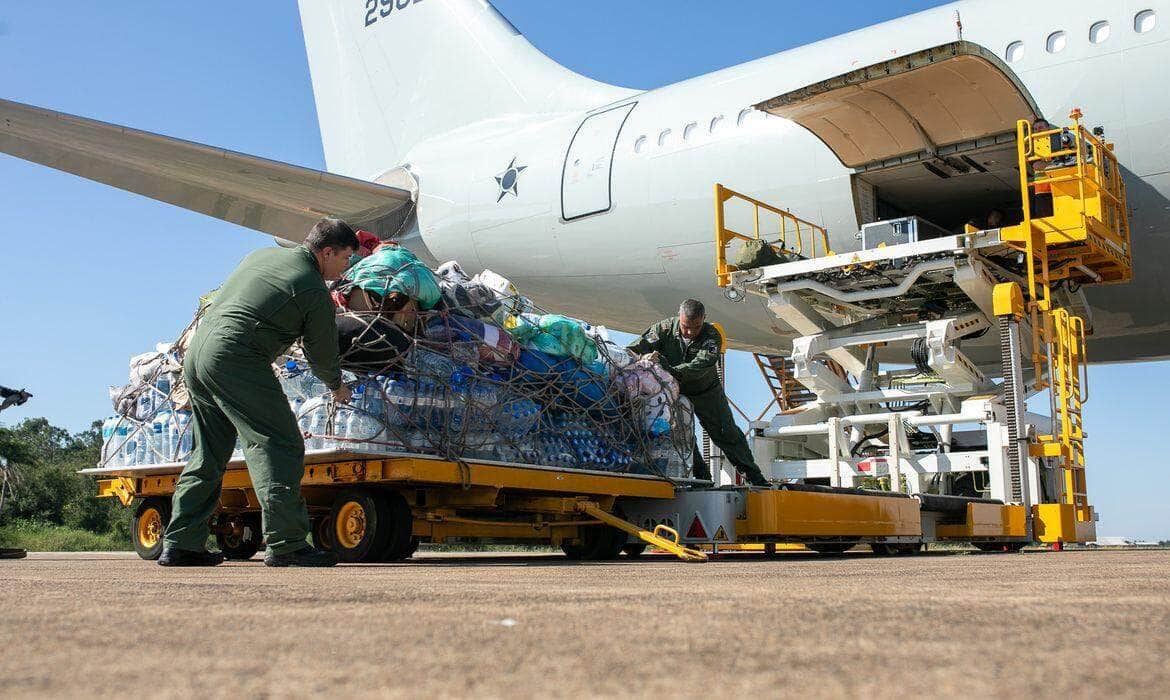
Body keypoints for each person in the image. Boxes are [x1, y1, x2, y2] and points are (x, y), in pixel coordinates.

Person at [160, 218, 359, 567]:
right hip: (237, 357)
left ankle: (181, 542)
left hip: (198, 354)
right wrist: (336, 386)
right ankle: (287, 543)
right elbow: (321, 353)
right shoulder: (312, 288)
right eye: (345, 258)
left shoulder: (260, 255)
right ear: (327, 252)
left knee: (209, 453)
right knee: (278, 442)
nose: (346, 268)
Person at [627, 299, 769, 486]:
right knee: (680, 436)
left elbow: (699, 366)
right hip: (673, 391)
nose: (690, 332)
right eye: (686, 327)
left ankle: (755, 479)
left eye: (696, 327)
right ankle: (702, 479)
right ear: (679, 318)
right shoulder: (664, 329)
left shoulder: (711, 336)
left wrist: (668, 367)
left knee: (726, 433)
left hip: (705, 391)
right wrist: (642, 358)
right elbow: (633, 349)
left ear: (704, 320)